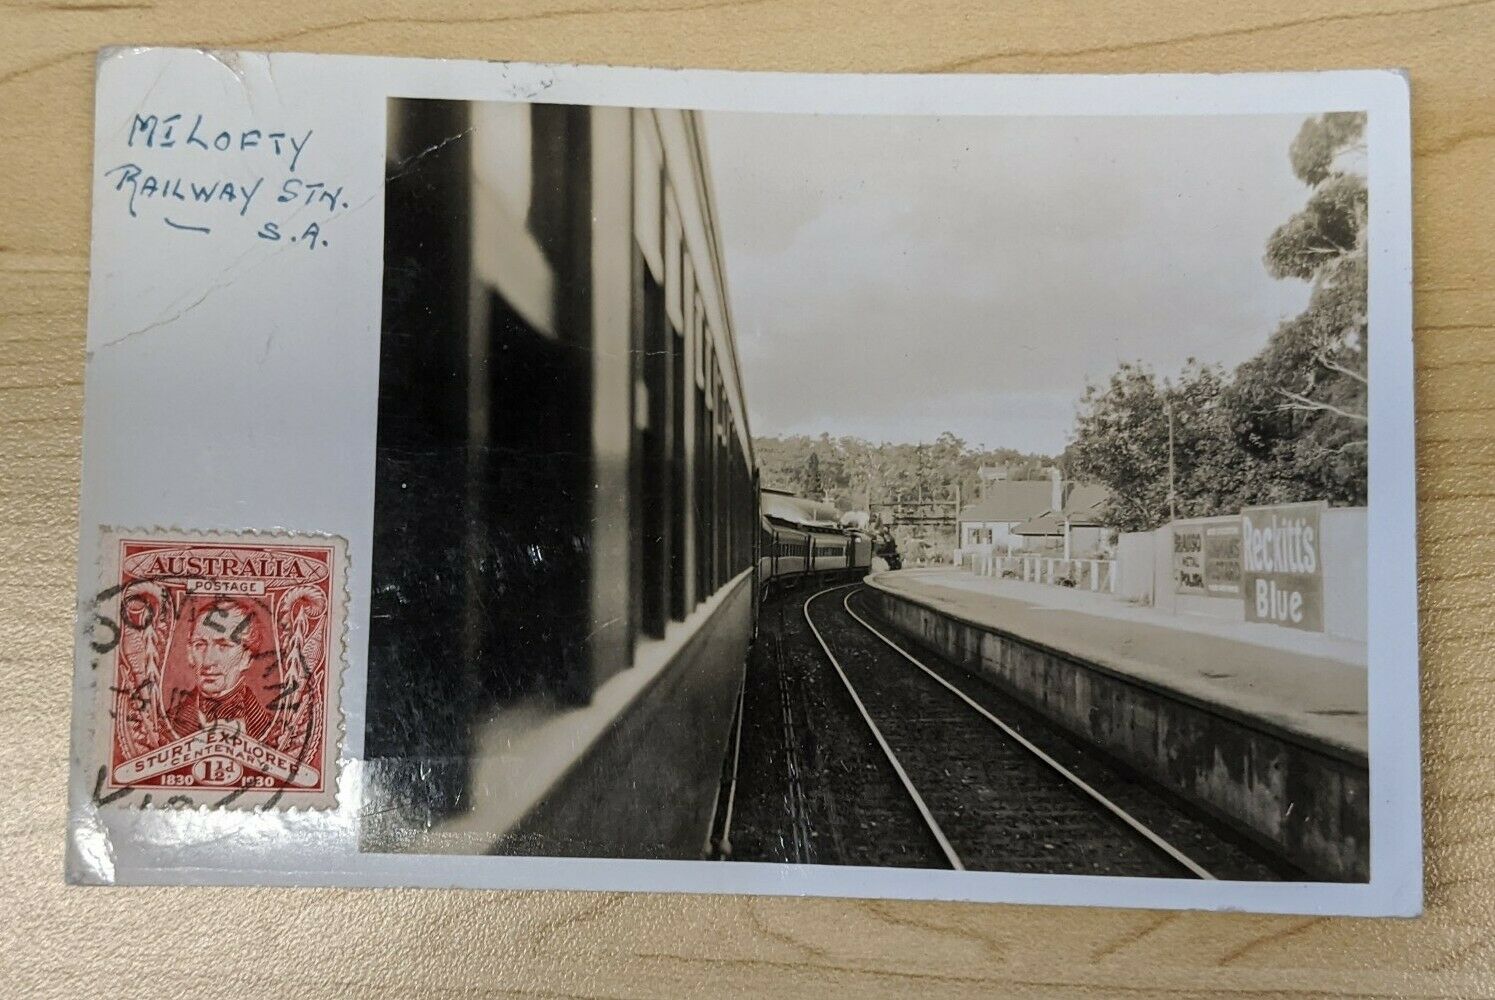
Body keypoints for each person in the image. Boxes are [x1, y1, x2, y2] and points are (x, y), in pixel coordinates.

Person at [169, 597, 274, 741]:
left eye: (224, 646)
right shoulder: (166, 724)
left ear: (246, 658)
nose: (208, 661)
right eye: (200, 645)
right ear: (190, 653)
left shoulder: (272, 728)